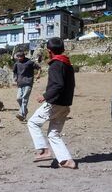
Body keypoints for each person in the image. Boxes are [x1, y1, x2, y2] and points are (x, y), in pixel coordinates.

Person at [27, 37, 76, 169]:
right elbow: (70, 85)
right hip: (65, 104)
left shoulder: (55, 65)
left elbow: (58, 85)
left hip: (54, 103)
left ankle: (43, 151)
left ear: (49, 51)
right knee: (53, 134)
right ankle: (66, 160)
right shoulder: (67, 64)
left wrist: (45, 96)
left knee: (32, 122)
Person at [13, 51, 42, 121]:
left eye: (20, 57)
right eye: (18, 57)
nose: (19, 58)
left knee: (24, 98)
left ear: (23, 56)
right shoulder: (17, 63)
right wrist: (15, 77)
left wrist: (38, 74)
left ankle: (22, 114)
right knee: (18, 98)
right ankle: (25, 110)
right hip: (20, 83)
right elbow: (14, 72)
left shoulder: (30, 62)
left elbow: (39, 68)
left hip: (28, 82)